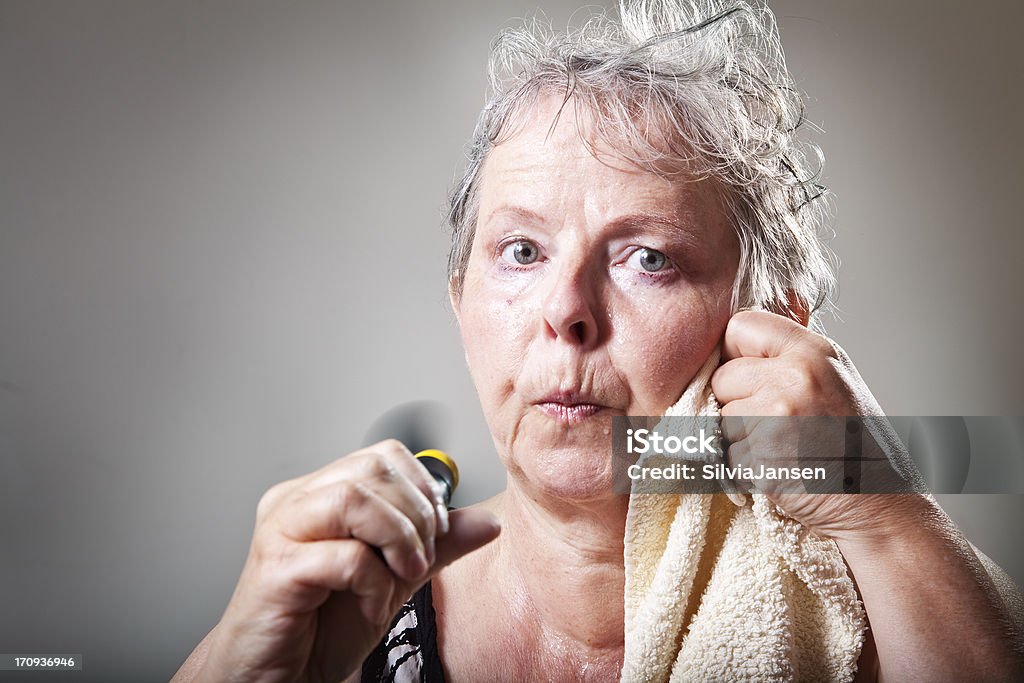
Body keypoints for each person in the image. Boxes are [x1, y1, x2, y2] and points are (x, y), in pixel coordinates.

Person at [173, 1, 1024, 680]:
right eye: (522, 251)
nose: (566, 310)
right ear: (460, 302)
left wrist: (879, 506)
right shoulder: (344, 615)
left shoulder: (879, 616)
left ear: (774, 330)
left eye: (647, 257)